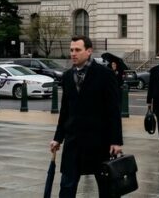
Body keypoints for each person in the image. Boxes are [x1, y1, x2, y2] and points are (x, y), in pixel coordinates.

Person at [50, 36, 123, 197]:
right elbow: (65, 111)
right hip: (73, 140)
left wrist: (116, 141)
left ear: (89, 51)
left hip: (98, 141)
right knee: (67, 186)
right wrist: (58, 138)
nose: (73, 54)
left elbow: (113, 111)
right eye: (71, 50)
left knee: (106, 187)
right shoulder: (68, 76)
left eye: (77, 50)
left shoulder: (105, 75)